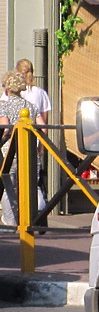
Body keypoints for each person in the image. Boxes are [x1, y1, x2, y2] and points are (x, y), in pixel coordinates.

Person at [0, 70, 40, 227]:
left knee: (8, 185)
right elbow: (41, 127)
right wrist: (40, 147)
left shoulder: (4, 107)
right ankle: (34, 219)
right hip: (29, 150)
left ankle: (10, 220)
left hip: (9, 151)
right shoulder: (31, 106)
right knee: (30, 185)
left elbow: (5, 129)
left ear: (7, 89)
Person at [14, 59, 51, 124]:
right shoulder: (41, 93)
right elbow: (44, 119)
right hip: (35, 130)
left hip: (15, 130)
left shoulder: (12, 92)